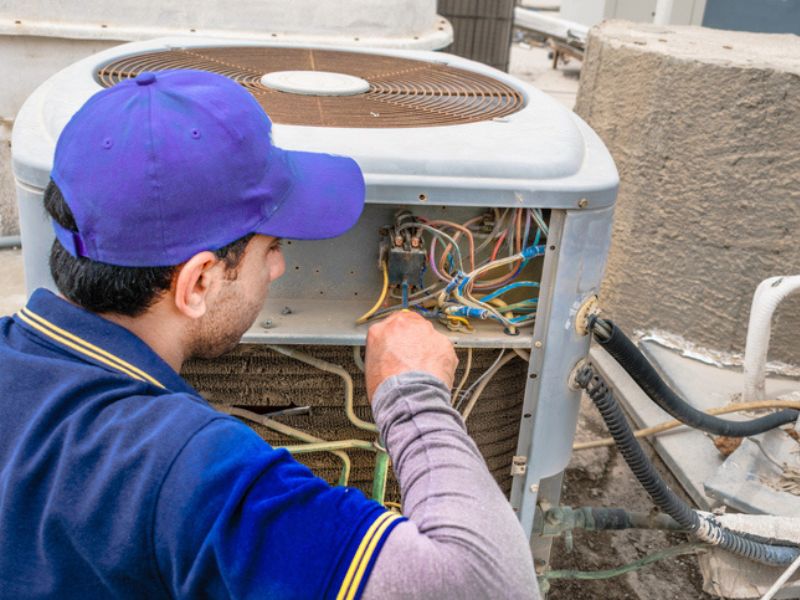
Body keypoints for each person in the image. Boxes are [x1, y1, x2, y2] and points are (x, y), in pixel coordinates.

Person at [0, 69, 538, 599]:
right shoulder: (187, 469)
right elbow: (486, 585)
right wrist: (413, 396)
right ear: (198, 281)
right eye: (273, 246)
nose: (278, 267)